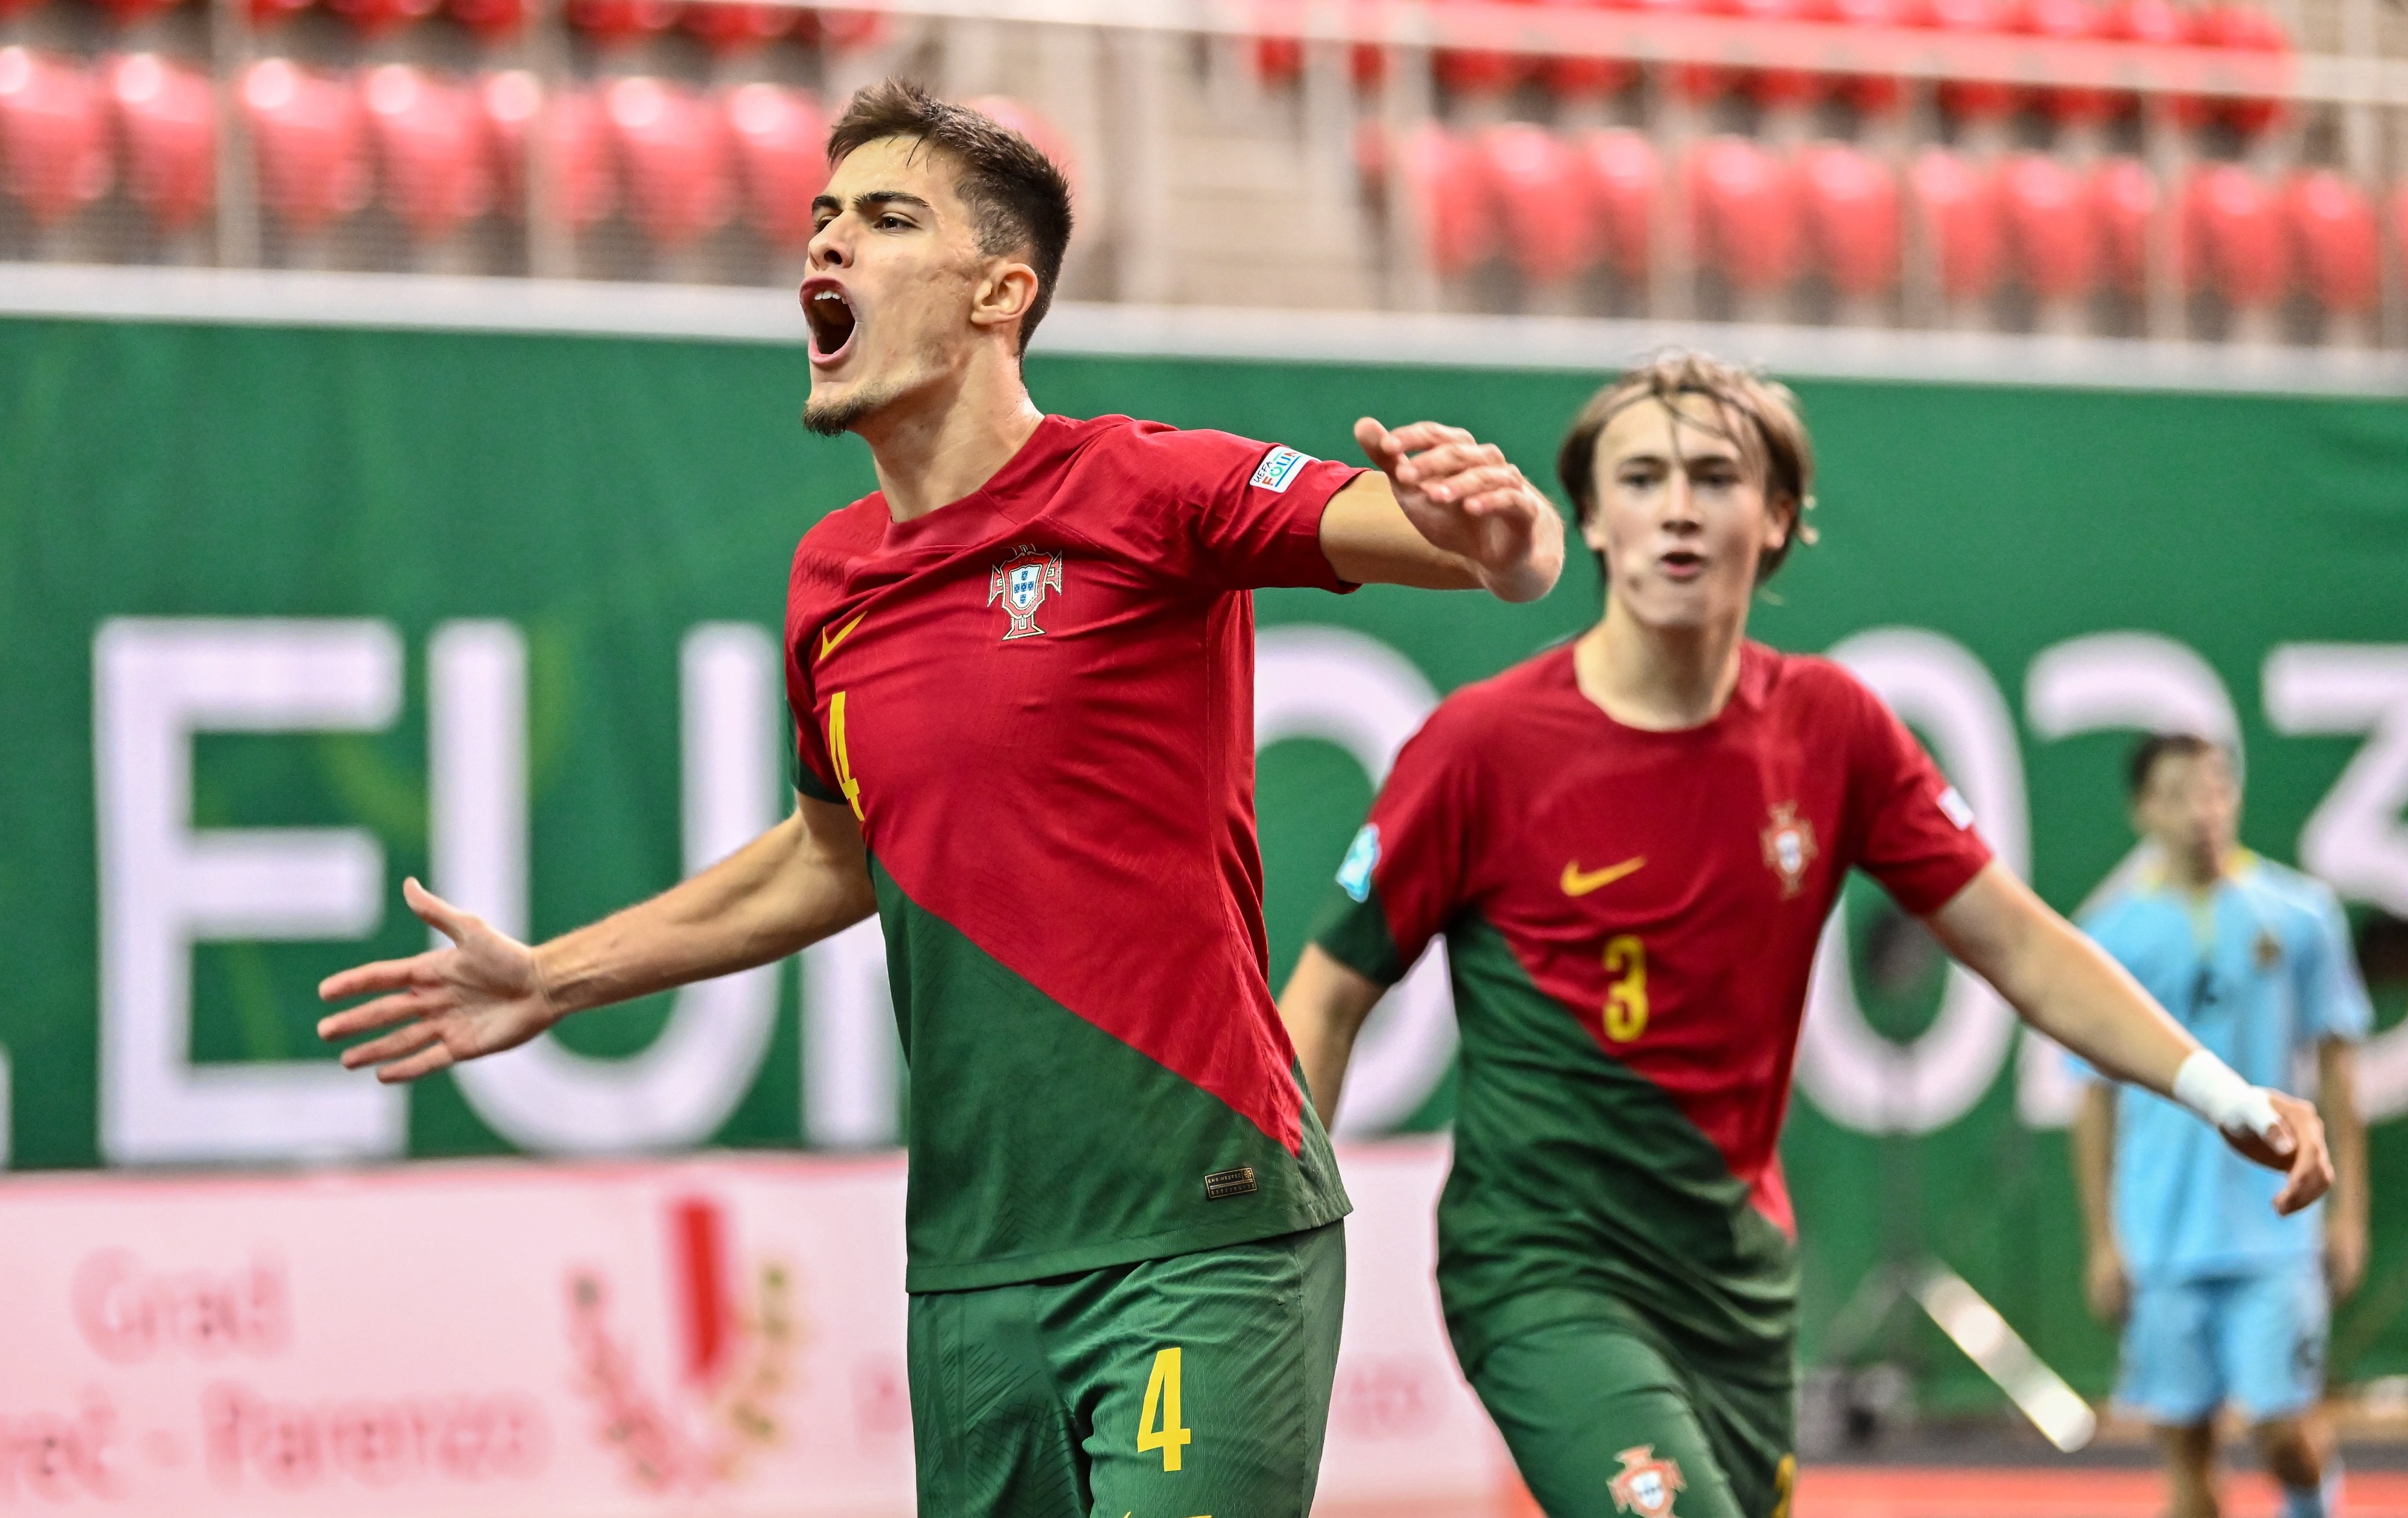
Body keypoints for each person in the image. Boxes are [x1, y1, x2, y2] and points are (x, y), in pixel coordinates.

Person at [314, 81, 1566, 1518]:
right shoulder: (828, 581)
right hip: (973, 1269)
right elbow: (825, 860)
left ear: (999, 290)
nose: (828, 247)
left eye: (885, 218)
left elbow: (1456, 544)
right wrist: (553, 976)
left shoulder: (1147, 488)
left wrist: (1502, 532)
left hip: (1198, 1231)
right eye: (821, 219)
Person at [1278, 352, 2333, 1518]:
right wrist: (1260, 1257)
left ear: (1774, 517)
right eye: (1638, 477)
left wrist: (2221, 1091)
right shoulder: (1478, 745)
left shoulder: (1832, 730)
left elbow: (2021, 947)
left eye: (1713, 475)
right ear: (1586, 517)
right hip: (1543, 1275)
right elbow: (1323, 999)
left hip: (1736, 1291)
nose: (1675, 504)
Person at [2070, 733, 2371, 1518]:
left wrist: (2351, 1212)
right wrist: (2104, 1237)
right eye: (2176, 793)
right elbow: (2093, 1096)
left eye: (2215, 788)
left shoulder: (2301, 914)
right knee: (2186, 1453)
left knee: (2284, 1429)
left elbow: (2339, 1071)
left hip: (2274, 1229)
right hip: (2164, 1233)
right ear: (2142, 809)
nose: (2201, 811)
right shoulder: (2108, 935)